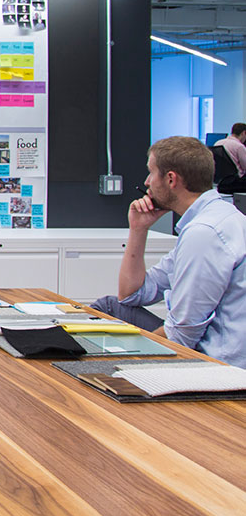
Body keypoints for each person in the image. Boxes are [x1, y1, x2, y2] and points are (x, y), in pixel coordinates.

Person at [91, 136, 246, 368]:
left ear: (171, 179)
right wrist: (138, 229)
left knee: (106, 350)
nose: (147, 182)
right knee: (110, 307)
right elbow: (130, 295)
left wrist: (127, 361)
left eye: (151, 173)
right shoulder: (216, 218)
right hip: (205, 348)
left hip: (218, 366)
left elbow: (183, 334)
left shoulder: (204, 233)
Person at [213, 123, 246, 192]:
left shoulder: (218, 142)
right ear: (244, 133)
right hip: (236, 182)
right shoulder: (239, 146)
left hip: (221, 182)